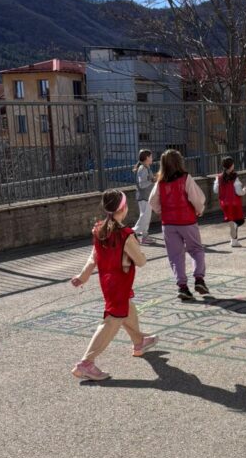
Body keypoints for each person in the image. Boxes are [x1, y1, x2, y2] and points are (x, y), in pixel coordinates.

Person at [70, 189, 158, 380]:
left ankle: (139, 341)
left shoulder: (99, 229)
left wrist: (83, 276)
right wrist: (140, 253)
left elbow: (94, 257)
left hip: (108, 282)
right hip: (119, 283)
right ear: (123, 208)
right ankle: (86, 363)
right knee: (112, 320)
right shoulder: (125, 234)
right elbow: (141, 261)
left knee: (127, 308)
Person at [148, 149, 208, 300]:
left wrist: (162, 211)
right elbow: (197, 198)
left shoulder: (160, 182)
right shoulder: (185, 178)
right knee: (196, 249)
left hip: (168, 223)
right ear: (179, 162)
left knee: (175, 256)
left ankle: (182, 287)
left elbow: (152, 201)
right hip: (187, 221)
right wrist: (199, 210)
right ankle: (199, 279)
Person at [213, 156, 246, 247]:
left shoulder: (218, 177)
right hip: (235, 203)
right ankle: (234, 232)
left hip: (224, 203)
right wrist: (244, 191)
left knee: (232, 219)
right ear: (231, 166)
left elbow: (215, 190)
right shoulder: (235, 177)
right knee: (239, 220)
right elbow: (239, 192)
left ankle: (234, 241)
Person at [132, 148, 156, 245]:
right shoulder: (143, 168)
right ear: (146, 158)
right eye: (151, 156)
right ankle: (132, 232)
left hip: (145, 196)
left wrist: (152, 179)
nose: (152, 158)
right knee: (144, 217)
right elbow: (142, 184)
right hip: (144, 196)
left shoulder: (146, 167)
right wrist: (153, 181)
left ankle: (145, 237)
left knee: (146, 217)